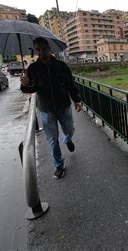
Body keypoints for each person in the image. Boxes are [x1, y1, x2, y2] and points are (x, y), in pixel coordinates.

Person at [20, 37, 82, 179]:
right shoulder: (33, 69)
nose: (41, 52)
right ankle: (58, 165)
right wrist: (25, 83)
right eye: (38, 49)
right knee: (52, 139)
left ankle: (67, 139)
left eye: (44, 48)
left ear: (49, 49)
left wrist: (77, 100)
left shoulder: (61, 66)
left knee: (70, 129)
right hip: (46, 109)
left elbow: (70, 85)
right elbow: (28, 90)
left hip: (63, 105)